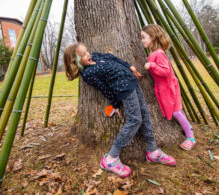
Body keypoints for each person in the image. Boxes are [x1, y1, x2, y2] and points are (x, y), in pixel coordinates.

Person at [63, 43, 176, 178]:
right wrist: (115, 103)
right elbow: (104, 88)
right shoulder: (88, 73)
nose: (88, 54)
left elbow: (113, 58)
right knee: (135, 120)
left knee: (145, 115)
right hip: (124, 90)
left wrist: (130, 67)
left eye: (86, 51)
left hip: (133, 81)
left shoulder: (96, 56)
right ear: (75, 61)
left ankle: (153, 151)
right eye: (83, 55)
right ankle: (111, 158)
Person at [140, 24, 196, 151]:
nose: (142, 40)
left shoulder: (159, 53)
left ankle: (191, 137)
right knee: (177, 110)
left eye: (144, 37)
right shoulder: (153, 53)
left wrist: (152, 65)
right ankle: (188, 128)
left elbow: (165, 71)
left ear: (153, 37)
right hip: (163, 87)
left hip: (169, 87)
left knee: (176, 111)